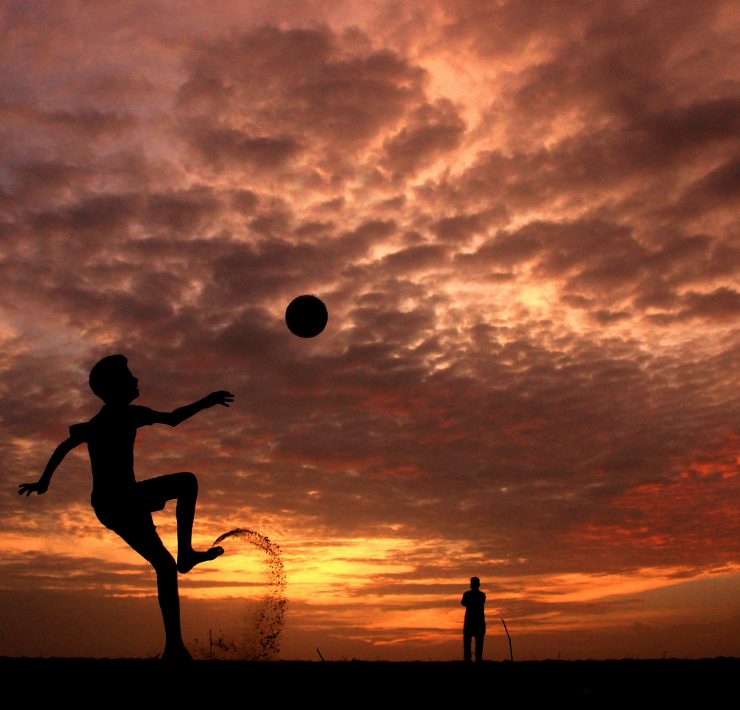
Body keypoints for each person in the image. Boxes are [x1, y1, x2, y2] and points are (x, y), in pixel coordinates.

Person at [18, 354, 234, 663]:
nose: (135, 381)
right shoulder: (123, 417)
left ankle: (174, 647)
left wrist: (44, 481)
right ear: (114, 388)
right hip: (120, 501)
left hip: (114, 504)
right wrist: (207, 401)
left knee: (163, 563)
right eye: (129, 378)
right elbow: (173, 419)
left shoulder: (102, 421)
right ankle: (184, 557)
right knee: (187, 483)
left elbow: (64, 446)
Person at [461, 576, 486, 662]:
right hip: (471, 622)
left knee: (478, 642)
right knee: (468, 641)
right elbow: (463, 602)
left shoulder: (481, 595)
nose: (472, 585)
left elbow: (465, 602)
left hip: (477, 622)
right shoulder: (469, 594)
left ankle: (477, 658)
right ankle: (468, 658)